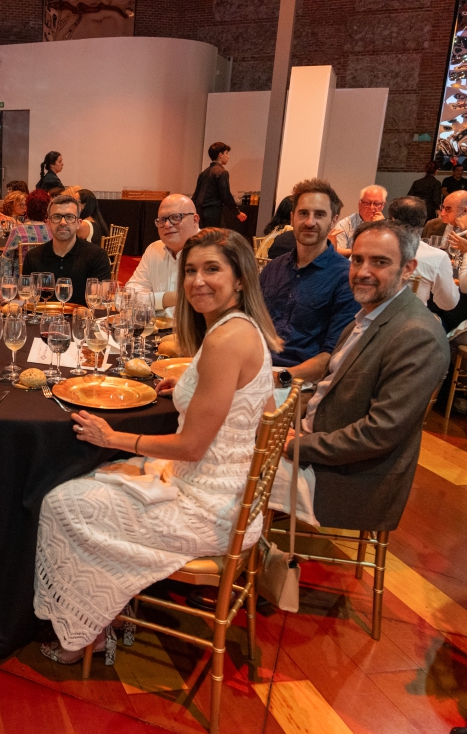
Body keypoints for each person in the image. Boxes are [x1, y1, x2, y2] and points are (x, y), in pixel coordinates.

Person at [34, 228, 281, 663]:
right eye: (191, 271)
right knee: (98, 478)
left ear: (241, 278)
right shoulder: (242, 328)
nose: (197, 281)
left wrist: (114, 437)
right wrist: (188, 389)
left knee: (62, 502)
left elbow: (191, 447)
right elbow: (254, 406)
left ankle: (83, 634)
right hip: (230, 496)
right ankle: (111, 610)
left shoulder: (226, 339)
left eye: (212, 269)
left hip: (209, 509)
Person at [274, 220, 447, 539]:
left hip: (350, 479)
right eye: (357, 259)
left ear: (408, 269)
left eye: (379, 262)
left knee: (235, 470)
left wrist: (299, 444)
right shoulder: (368, 315)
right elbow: (328, 390)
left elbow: (379, 434)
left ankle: (243, 559)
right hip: (322, 444)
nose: (363, 271)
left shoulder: (417, 336)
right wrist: (281, 420)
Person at [259, 179, 360, 385]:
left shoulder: (346, 278)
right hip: (255, 370)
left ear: (334, 221)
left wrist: (279, 378)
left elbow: (332, 355)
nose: (309, 222)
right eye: (303, 213)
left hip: (300, 382)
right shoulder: (273, 268)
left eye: (320, 214)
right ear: (292, 218)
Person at [21, 194, 111, 305]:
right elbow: (28, 301)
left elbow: (99, 304)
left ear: (78, 223)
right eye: (57, 217)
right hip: (42, 315)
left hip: (83, 316)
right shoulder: (33, 256)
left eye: (69, 217)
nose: (63, 222)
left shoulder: (97, 256)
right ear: (48, 223)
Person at [126, 194, 200, 316]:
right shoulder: (154, 250)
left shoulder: (212, 251)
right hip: (155, 326)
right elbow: (128, 297)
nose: (167, 225)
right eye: (162, 220)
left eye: (176, 217)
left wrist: (152, 301)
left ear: (195, 220)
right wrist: (167, 299)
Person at [387, 196, 459, 311]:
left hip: (370, 317)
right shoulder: (437, 257)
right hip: (411, 318)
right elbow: (448, 304)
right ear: (423, 222)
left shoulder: (368, 249)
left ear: (392, 220)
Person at [191, 142, 247, 228]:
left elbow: (195, 196)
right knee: (217, 235)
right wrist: (237, 212)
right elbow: (226, 196)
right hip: (213, 213)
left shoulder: (203, 173)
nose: (228, 156)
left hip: (200, 212)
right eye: (226, 153)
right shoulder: (222, 172)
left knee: (204, 235)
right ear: (220, 154)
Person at [0, 189, 50, 277]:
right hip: (46, 278)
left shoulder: (18, 231)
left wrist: (6, 283)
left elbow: (6, 259)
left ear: (27, 208)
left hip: (22, 279)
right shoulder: (52, 231)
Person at [329, 184, 387, 257]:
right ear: (359, 204)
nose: (372, 208)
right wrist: (363, 251)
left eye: (376, 204)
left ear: (383, 205)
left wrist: (380, 226)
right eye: (367, 203)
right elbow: (337, 251)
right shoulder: (344, 225)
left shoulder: (387, 227)